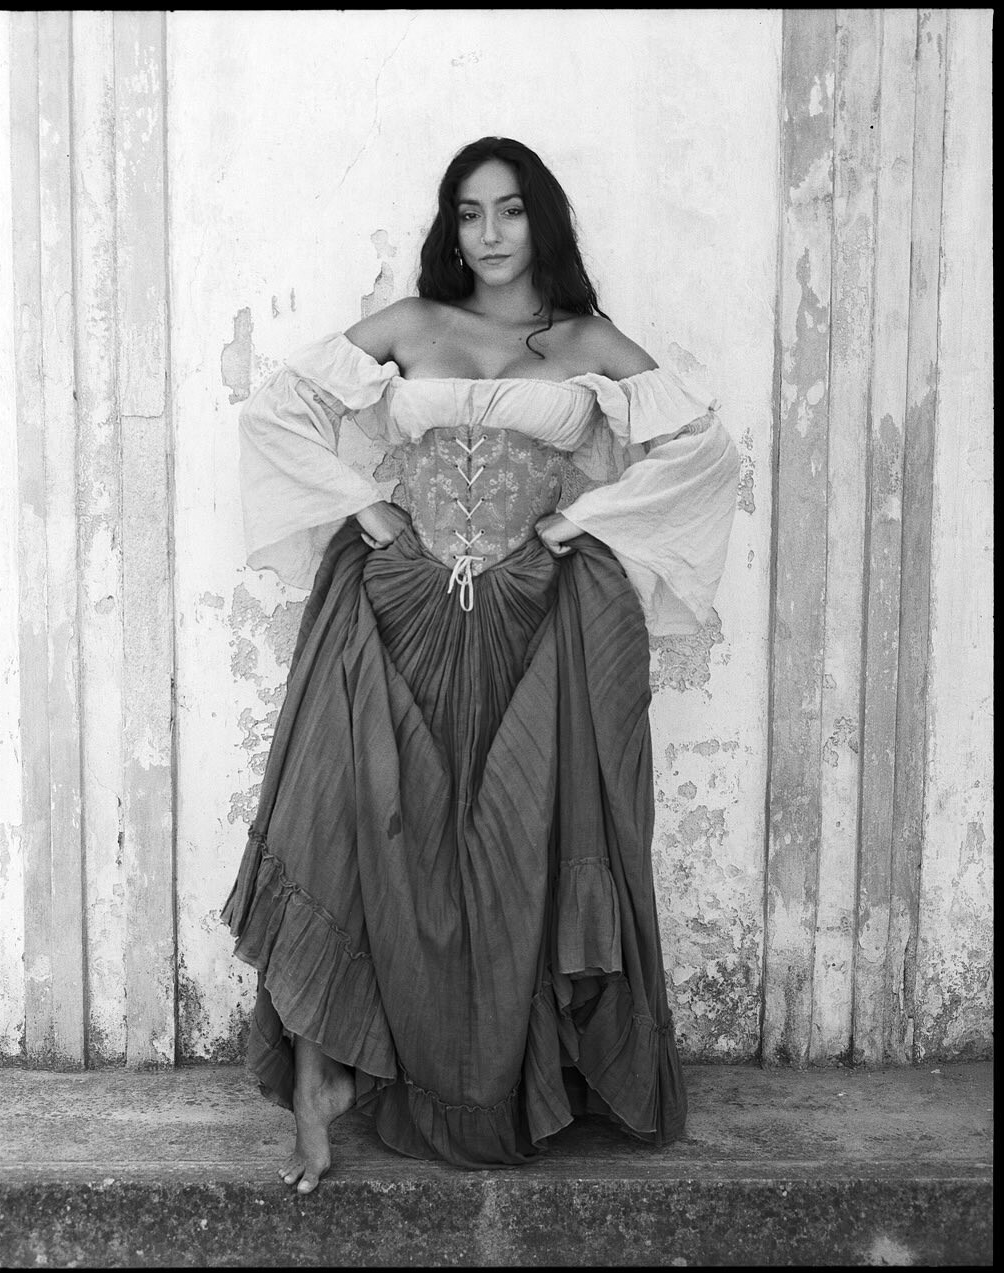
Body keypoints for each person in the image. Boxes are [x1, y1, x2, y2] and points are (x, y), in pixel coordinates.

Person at [222, 136, 740, 1192]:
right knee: (350, 817)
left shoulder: (585, 337)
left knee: (512, 846)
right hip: (396, 601)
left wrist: (581, 520)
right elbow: (279, 408)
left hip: (529, 614)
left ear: (540, 219)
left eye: (507, 210)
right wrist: (363, 505)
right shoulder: (414, 322)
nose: (489, 233)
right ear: (450, 227)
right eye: (468, 212)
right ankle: (319, 1077)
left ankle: (502, 1078)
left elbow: (703, 450)